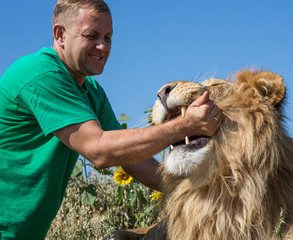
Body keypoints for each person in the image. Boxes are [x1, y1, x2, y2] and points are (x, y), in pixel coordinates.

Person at [0, 0, 222, 239]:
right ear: (60, 34)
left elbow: (131, 160)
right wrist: (186, 126)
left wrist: (202, 191)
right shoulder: (41, 75)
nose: (102, 46)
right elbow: (100, 151)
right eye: (91, 35)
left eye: (108, 37)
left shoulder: (91, 91)